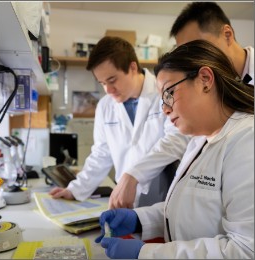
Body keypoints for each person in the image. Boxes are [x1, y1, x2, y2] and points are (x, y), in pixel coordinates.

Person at [95, 40, 254, 259]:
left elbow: (246, 250)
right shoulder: (200, 140)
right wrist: (140, 219)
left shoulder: (247, 140)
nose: (165, 109)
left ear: (205, 80)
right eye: (161, 100)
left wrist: (147, 254)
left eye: (169, 93)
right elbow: (188, 211)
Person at [108, 1, 254, 209]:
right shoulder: (201, 113)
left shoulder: (245, 130)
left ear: (227, 35)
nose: (190, 58)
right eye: (184, 51)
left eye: (197, 47)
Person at [49, 36, 188, 206]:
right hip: (124, 199)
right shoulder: (105, 106)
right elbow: (101, 154)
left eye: (112, 80)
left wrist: (135, 174)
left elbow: (177, 139)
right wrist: (75, 189)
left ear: (132, 67)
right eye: (102, 83)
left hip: (161, 198)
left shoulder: (163, 93)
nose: (108, 90)